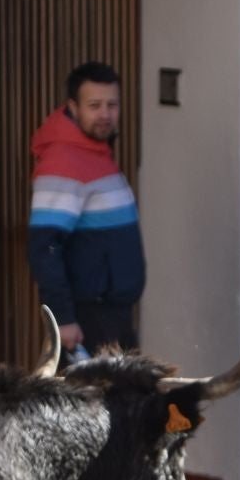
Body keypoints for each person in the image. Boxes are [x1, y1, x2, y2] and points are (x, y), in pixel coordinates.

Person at [28, 61, 145, 359]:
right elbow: (45, 247)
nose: (105, 114)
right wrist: (64, 319)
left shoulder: (96, 153)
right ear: (73, 107)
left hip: (112, 314)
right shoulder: (64, 161)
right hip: (88, 319)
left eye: (112, 105)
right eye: (94, 105)